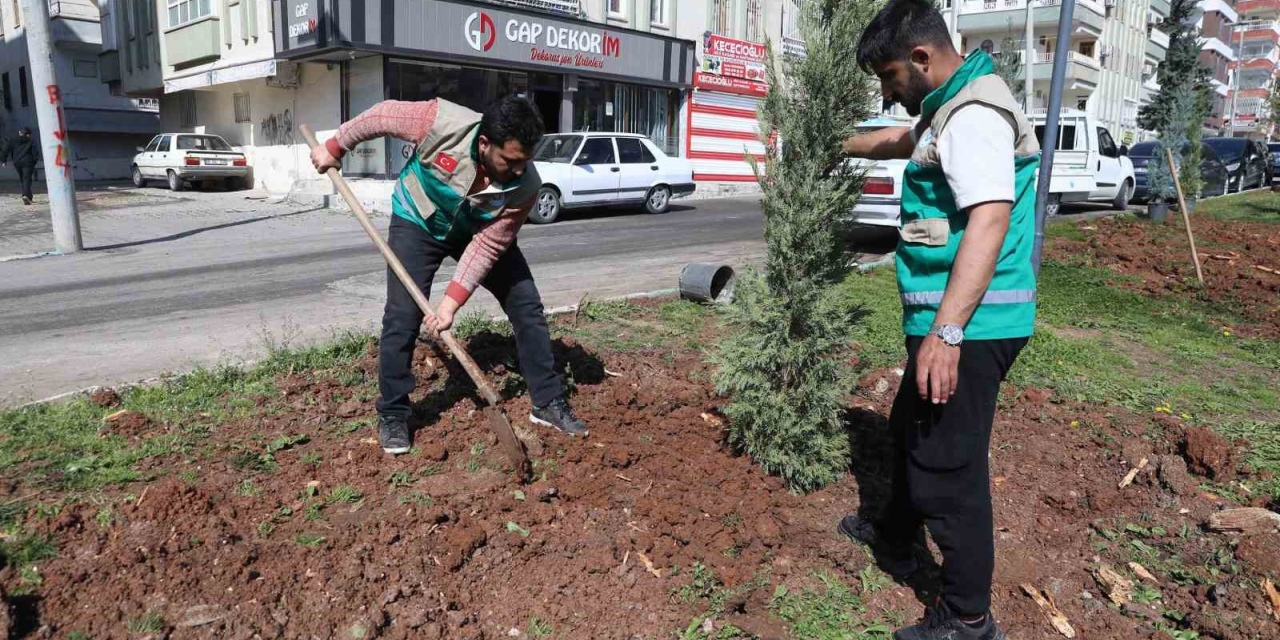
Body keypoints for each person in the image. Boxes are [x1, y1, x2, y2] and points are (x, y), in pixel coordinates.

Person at [838, 1, 1041, 639]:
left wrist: (947, 334)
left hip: (974, 325)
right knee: (910, 426)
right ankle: (897, 531)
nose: (887, 92)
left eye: (891, 77)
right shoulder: (948, 106)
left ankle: (969, 619)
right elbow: (902, 140)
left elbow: (988, 219)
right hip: (958, 320)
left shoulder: (974, 116)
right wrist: (833, 140)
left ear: (922, 59)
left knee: (948, 467)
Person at [311, 95, 587, 455]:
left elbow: (488, 247)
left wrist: (450, 304)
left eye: (526, 162)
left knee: (526, 304)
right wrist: (335, 146)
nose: (519, 170)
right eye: (512, 161)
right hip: (418, 218)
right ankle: (394, 412)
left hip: (476, 229)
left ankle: (547, 402)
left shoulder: (525, 186)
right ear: (485, 144)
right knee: (402, 316)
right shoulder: (439, 122)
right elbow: (380, 116)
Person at [3, 128, 39, 205]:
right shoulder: (30, 140)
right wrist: (34, 162)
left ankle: (28, 196)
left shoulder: (13, 139)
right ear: (28, 134)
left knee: (23, 178)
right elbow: (35, 153)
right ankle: (26, 195)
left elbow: (5, 149)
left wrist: (3, 160)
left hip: (17, 162)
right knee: (26, 179)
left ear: (20, 133)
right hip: (28, 162)